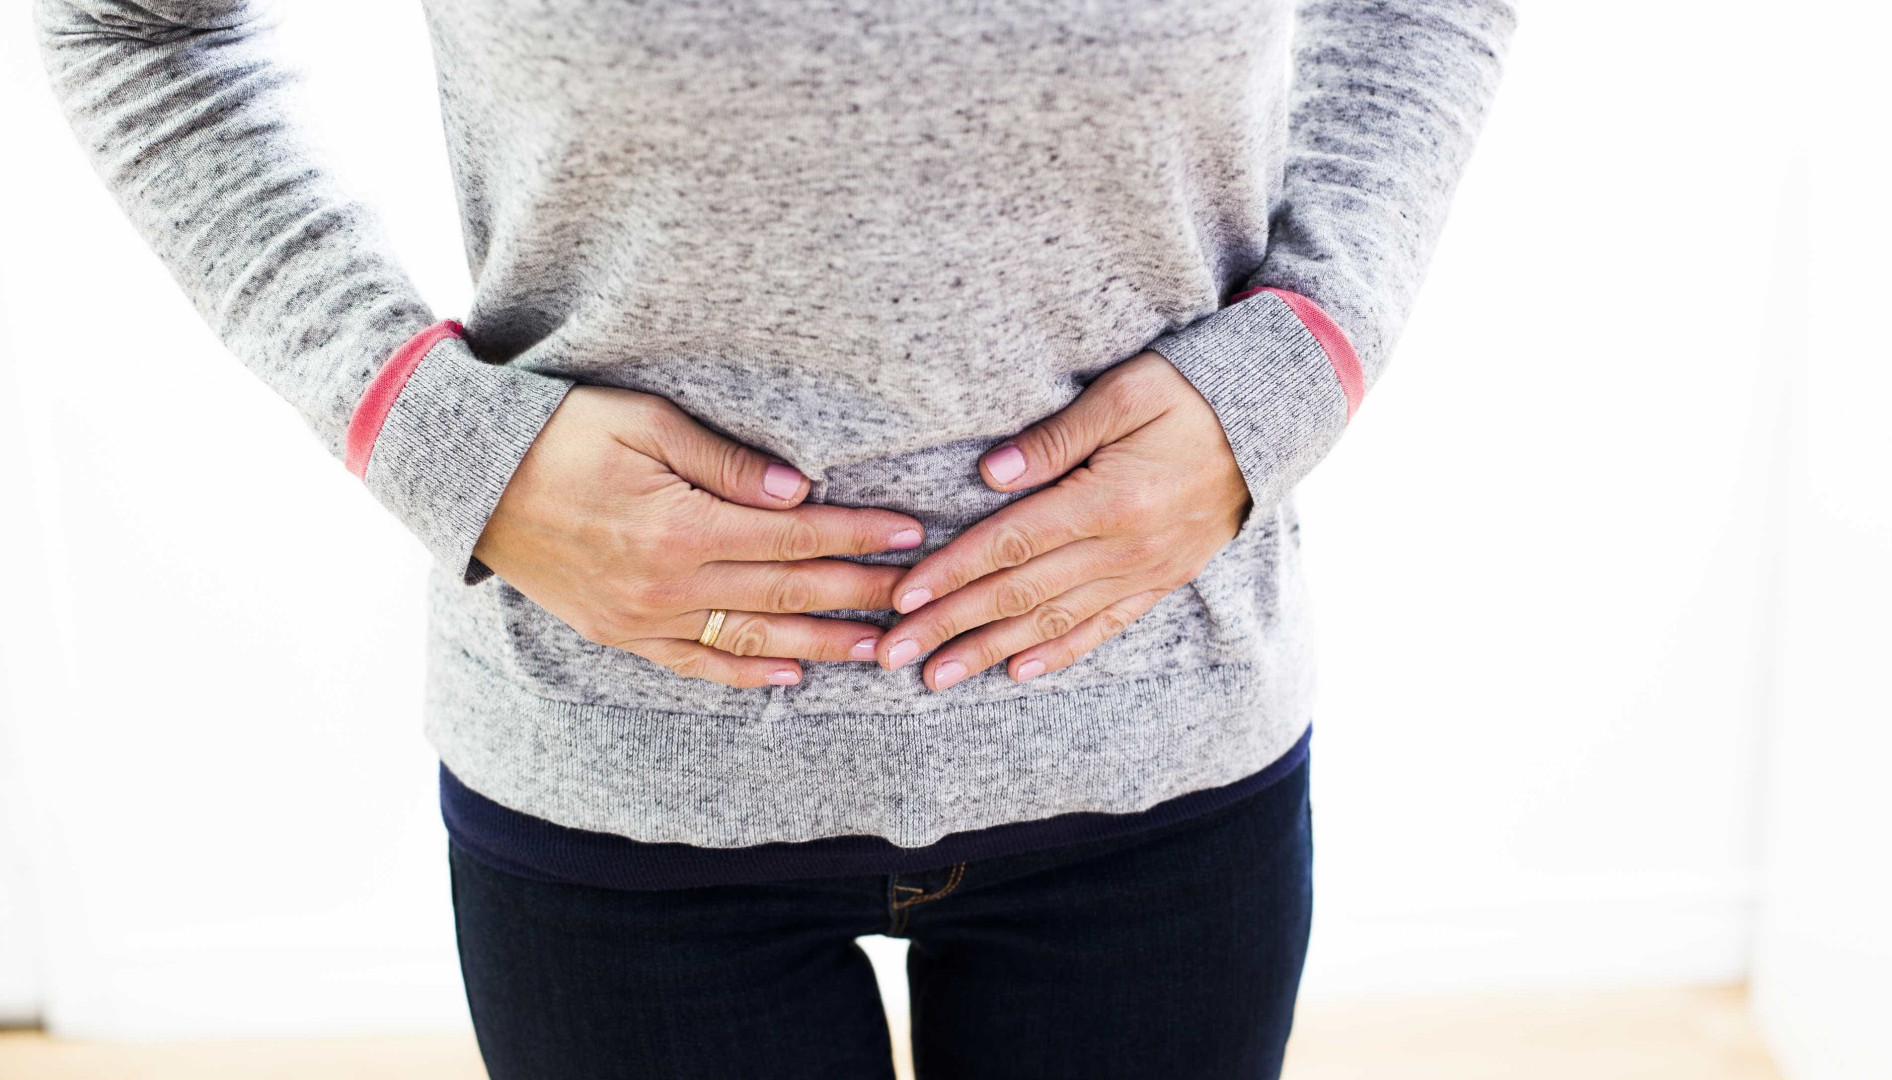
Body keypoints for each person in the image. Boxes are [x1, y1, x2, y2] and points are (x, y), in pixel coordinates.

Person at [35, 1, 1515, 1076]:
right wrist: (431, 433)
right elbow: (134, 25)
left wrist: (1303, 358)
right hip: (625, 775)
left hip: (1159, 733)